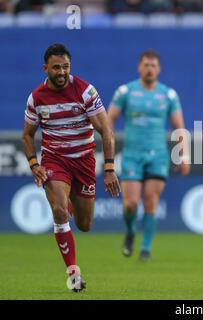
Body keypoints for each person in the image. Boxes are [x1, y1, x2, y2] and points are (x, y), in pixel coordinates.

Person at [22, 43, 121, 292]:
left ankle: (65, 201)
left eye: (66, 66)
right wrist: (34, 165)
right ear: (45, 68)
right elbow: (27, 135)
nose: (62, 72)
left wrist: (109, 168)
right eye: (56, 67)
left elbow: (106, 131)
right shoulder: (37, 98)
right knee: (58, 210)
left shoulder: (85, 92)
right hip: (55, 160)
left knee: (85, 224)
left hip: (84, 161)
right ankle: (73, 273)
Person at [108, 49, 190, 261]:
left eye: (153, 65)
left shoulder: (168, 94)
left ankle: (145, 248)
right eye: (146, 65)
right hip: (132, 154)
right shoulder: (125, 92)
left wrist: (184, 155)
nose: (150, 69)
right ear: (139, 67)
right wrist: (108, 147)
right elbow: (108, 121)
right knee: (130, 204)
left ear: (159, 69)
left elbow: (179, 126)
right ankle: (129, 232)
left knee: (151, 200)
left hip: (158, 155)